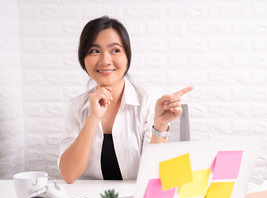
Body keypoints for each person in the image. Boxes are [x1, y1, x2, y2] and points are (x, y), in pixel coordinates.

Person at [58, 16, 193, 184]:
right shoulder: (76, 107)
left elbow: (157, 177)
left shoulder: (148, 103)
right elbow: (69, 175)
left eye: (115, 50)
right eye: (94, 51)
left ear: (127, 56)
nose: (105, 61)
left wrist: (160, 126)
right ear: (83, 59)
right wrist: (93, 118)